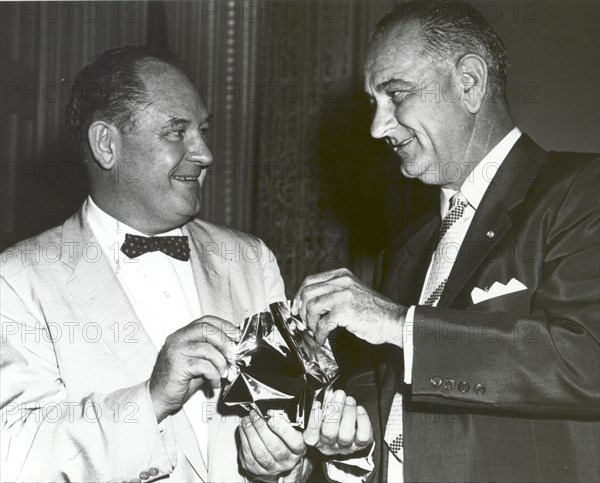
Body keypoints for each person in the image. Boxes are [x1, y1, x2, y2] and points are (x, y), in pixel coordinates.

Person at [0, 45, 368, 483]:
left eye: (203, 131)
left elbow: (294, 434)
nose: (206, 153)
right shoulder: (19, 279)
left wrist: (280, 464)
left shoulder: (251, 259)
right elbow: (16, 456)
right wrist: (152, 398)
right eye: (177, 132)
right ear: (106, 144)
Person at [293, 2, 600, 482]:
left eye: (396, 94)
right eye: (375, 103)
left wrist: (398, 323)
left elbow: (587, 359)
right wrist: (349, 448)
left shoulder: (582, 190)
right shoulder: (406, 248)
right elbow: (389, 406)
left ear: (470, 83)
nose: (378, 126)